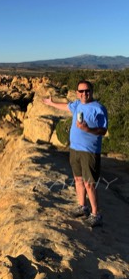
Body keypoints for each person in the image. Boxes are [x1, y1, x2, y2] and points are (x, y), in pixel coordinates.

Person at [43, 80, 108, 227]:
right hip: (75, 149)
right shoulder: (77, 104)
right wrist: (51, 103)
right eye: (81, 91)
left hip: (89, 151)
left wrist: (87, 130)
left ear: (91, 91)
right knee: (78, 180)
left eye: (87, 91)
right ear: (77, 93)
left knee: (89, 184)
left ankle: (96, 214)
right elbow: (66, 106)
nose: (84, 93)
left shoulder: (99, 108)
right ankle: (82, 207)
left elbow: (103, 131)